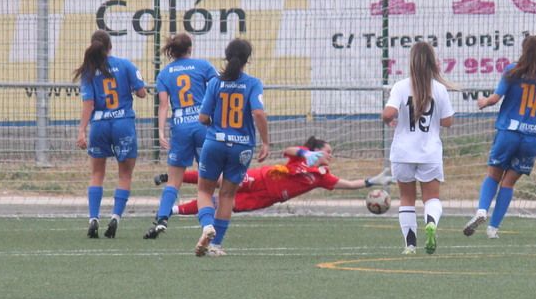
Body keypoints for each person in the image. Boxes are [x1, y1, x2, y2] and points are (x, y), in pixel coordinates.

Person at [463, 34, 536, 239]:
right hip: (532, 137)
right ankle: (493, 229)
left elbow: (496, 98)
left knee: (493, 175)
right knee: (508, 183)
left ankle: (481, 211)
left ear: (523, 50)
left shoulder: (512, 71)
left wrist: (483, 102)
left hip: (509, 132)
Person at [163, 137, 392, 215]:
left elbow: (348, 184)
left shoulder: (322, 175)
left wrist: (372, 181)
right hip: (261, 177)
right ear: (317, 149)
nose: (330, 156)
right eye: (328, 151)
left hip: (266, 198)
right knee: (218, 181)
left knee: (220, 204)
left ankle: (172, 211)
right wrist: (305, 153)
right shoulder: (304, 158)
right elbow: (288, 151)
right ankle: (172, 178)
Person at [192, 38, 269, 257]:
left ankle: (207, 226)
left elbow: (203, 117)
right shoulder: (253, 83)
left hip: (215, 142)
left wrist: (213, 123)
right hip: (241, 147)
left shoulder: (216, 83)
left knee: (204, 190)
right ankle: (216, 245)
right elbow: (259, 113)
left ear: (227, 57)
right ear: (247, 60)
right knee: (227, 195)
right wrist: (265, 141)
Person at [74, 29, 149, 239]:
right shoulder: (125, 64)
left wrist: (81, 131)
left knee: (97, 174)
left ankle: (93, 218)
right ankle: (115, 216)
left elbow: (88, 104)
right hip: (123, 123)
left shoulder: (89, 72)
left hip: (99, 125)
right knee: (125, 174)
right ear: (110, 47)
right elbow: (142, 92)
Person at [383, 40, 454, 254]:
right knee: (431, 198)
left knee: (407, 198)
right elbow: (448, 121)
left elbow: (388, 113)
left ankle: (410, 244)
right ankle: (431, 222)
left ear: (412, 62)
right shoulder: (439, 89)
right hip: (429, 152)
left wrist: (390, 120)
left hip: (403, 152)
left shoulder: (400, 86)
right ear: (433, 63)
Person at [145, 33, 218, 240]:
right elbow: (217, 91)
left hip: (180, 127)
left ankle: (162, 219)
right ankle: (208, 223)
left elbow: (164, 105)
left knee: (174, 180)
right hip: (203, 126)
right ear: (190, 48)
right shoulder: (203, 66)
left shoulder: (165, 74)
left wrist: (160, 131)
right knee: (208, 180)